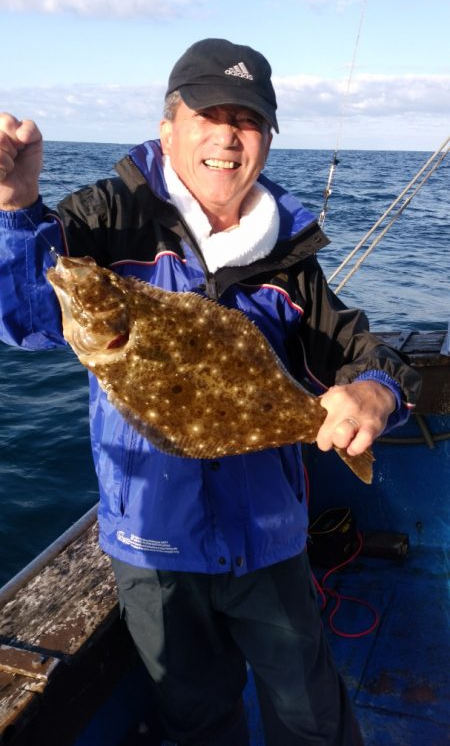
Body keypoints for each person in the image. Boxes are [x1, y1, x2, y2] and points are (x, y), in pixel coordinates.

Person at [0, 38, 421, 746]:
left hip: (270, 542)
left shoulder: (289, 262)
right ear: (169, 128)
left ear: (265, 143)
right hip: (152, 546)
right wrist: (14, 207)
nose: (228, 134)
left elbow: (359, 351)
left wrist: (375, 393)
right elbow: (23, 314)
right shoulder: (108, 217)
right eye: (208, 113)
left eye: (248, 119)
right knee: (196, 720)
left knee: (311, 715)